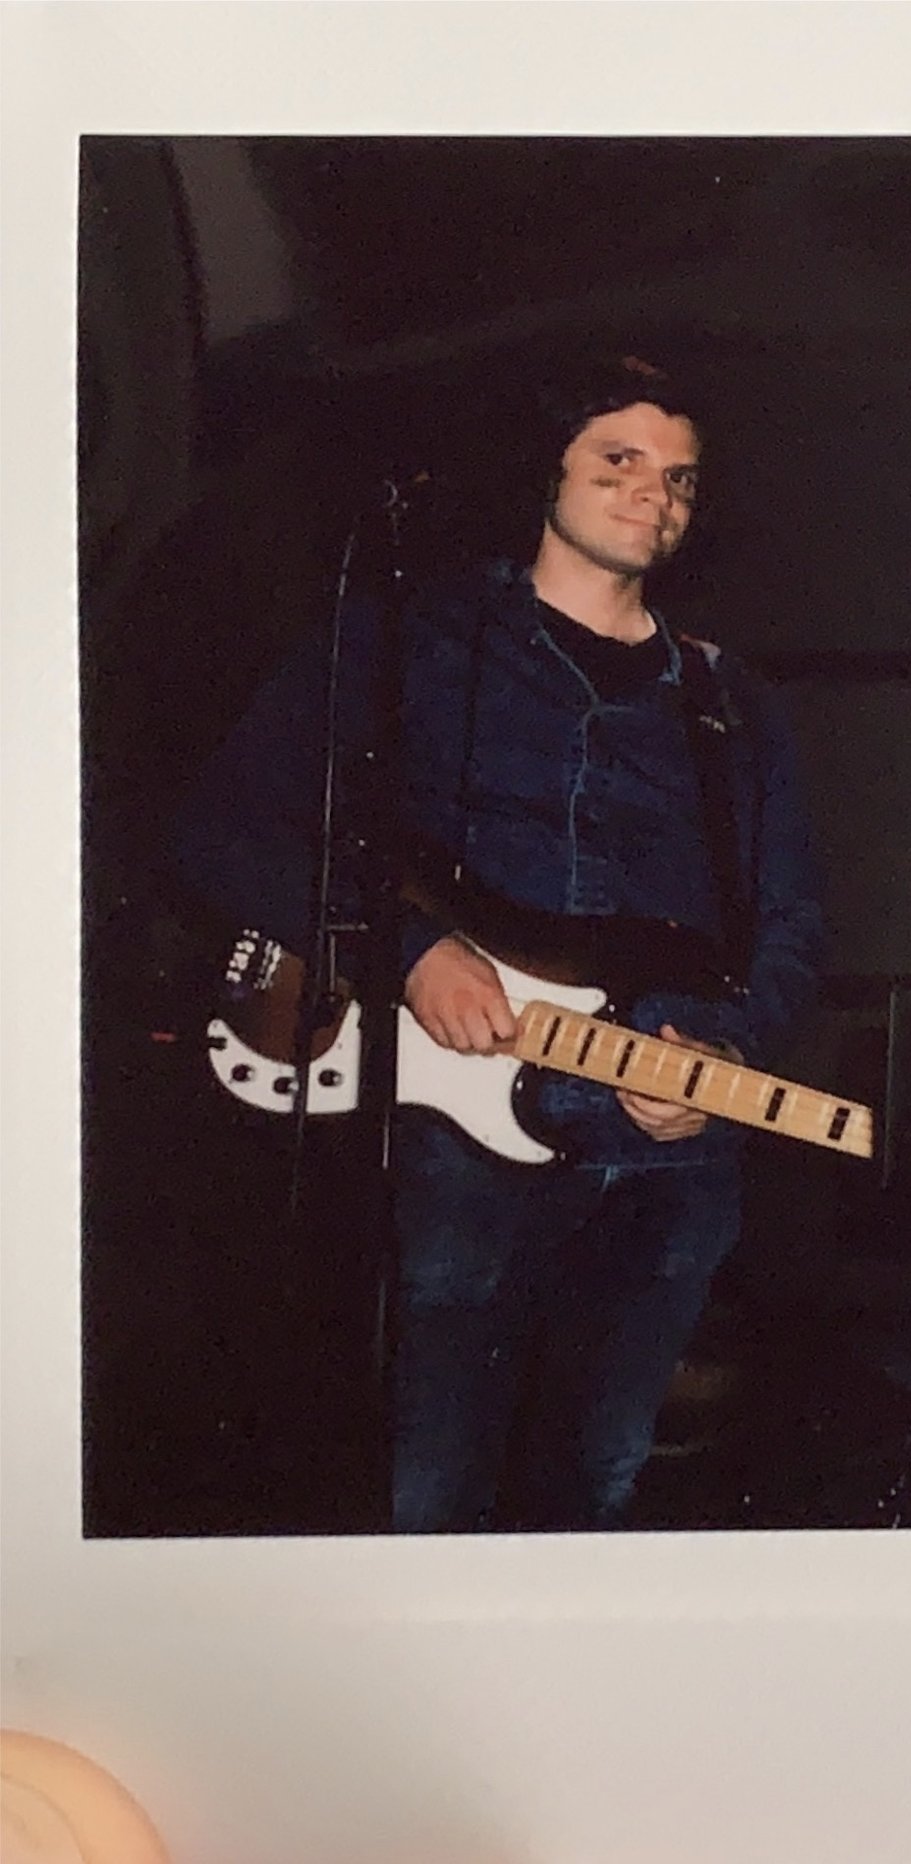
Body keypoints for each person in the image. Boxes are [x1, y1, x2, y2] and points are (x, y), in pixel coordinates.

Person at [172, 356, 830, 1532]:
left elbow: (791, 923)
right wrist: (413, 950)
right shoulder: (412, 641)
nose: (655, 494)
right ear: (547, 472)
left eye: (680, 476)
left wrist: (725, 1047)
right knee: (428, 1493)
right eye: (619, 461)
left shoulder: (733, 704)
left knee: (598, 1488)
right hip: (455, 1137)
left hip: (665, 1146)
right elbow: (225, 828)